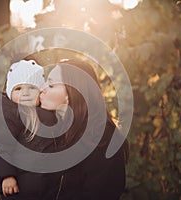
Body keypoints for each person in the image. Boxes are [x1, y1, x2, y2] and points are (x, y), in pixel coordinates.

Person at [39, 59, 129, 200]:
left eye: (51, 85)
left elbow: (103, 193)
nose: (41, 89)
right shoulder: (50, 127)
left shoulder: (104, 138)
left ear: (70, 94)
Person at [0, 59, 57, 200]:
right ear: (9, 92)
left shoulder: (48, 112)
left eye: (32, 88)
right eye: (18, 89)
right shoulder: (8, 113)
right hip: (18, 188)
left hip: (45, 188)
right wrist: (6, 175)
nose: (25, 93)